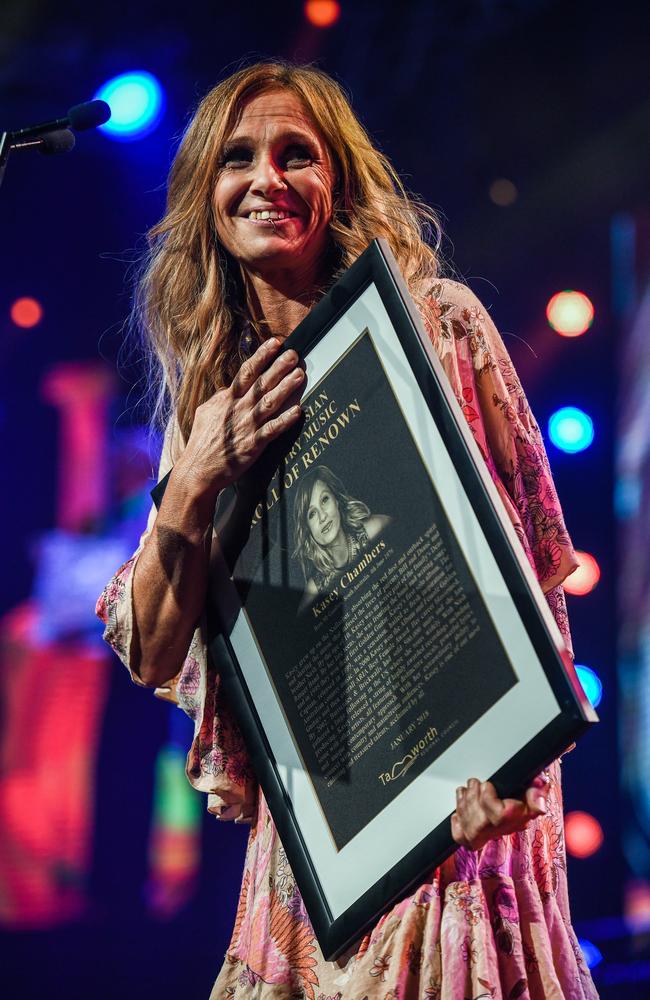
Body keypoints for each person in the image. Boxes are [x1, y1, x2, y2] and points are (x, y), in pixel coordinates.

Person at [96, 61, 598, 999]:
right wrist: (196, 474)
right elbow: (156, 650)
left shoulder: (441, 327)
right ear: (205, 193)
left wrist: (515, 756)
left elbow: (532, 571)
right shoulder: (209, 400)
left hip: (463, 811)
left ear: (341, 181)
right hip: (327, 830)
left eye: (299, 155)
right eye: (238, 158)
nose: (268, 179)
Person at [293, 464, 390, 596]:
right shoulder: (314, 591)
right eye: (312, 514)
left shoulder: (375, 528)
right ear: (308, 529)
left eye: (324, 500)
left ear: (336, 500)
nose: (322, 517)